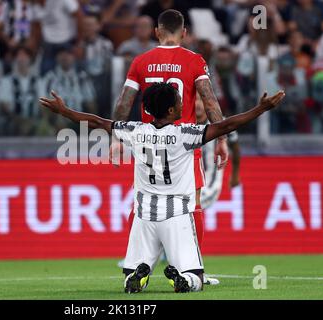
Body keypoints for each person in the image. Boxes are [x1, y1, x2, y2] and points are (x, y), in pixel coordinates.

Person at [40, 83, 286, 293]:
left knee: (129, 280)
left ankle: (138, 275)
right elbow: (225, 126)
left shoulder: (135, 130)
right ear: (170, 110)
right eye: (179, 101)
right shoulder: (185, 134)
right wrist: (261, 108)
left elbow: (95, 122)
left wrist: (64, 111)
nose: (183, 104)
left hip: (144, 215)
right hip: (177, 215)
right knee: (196, 279)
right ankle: (182, 279)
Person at [111, 9, 229, 285]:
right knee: (192, 206)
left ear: (157, 32)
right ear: (184, 33)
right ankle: (191, 268)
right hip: (183, 144)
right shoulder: (194, 61)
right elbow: (210, 101)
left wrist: (116, 138)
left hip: (147, 142)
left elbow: (124, 102)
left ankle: (137, 267)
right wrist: (222, 139)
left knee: (142, 203)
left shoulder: (141, 61)